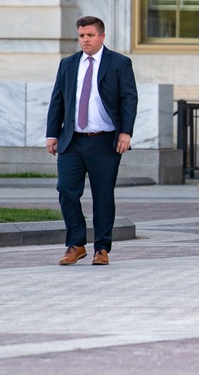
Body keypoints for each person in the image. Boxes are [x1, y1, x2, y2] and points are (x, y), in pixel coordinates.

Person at [46, 16, 138, 266]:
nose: (85, 40)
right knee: (66, 189)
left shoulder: (119, 63)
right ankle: (76, 245)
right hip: (72, 141)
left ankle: (102, 248)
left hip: (104, 141)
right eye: (81, 35)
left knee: (103, 194)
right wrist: (52, 134)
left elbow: (129, 99)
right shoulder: (67, 64)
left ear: (102, 37)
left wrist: (125, 133)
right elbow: (58, 100)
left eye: (89, 35)